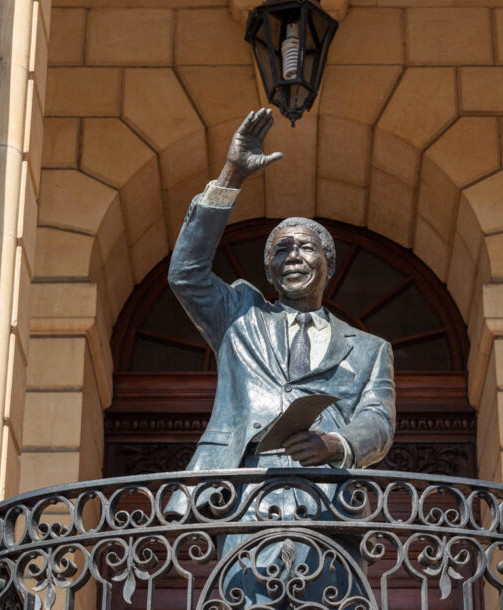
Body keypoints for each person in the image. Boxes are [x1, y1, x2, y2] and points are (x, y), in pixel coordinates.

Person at [167, 107, 395, 606]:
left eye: (305, 247)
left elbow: (378, 421)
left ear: (327, 264)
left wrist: (335, 443)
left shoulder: (370, 349)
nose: (292, 255)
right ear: (270, 272)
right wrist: (232, 175)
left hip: (327, 506)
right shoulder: (238, 316)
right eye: (280, 250)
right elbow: (185, 272)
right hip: (244, 499)